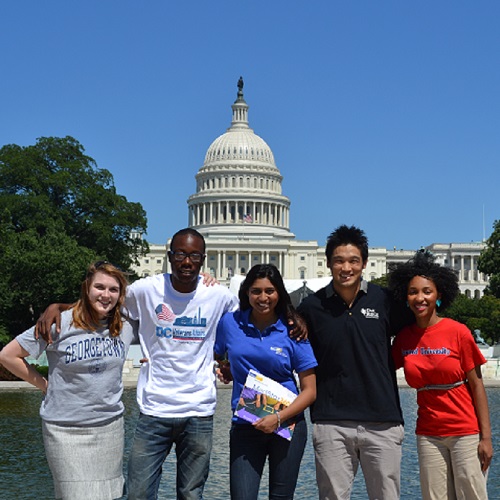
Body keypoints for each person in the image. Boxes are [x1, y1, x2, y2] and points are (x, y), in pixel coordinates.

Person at [36, 228, 240, 499]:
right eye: (180, 254)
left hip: (198, 409)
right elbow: (102, 303)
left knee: (191, 494)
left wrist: (226, 360)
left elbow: (245, 326)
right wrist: (59, 306)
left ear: (204, 259)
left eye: (194, 256)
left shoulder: (220, 296)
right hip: (154, 408)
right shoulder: (146, 290)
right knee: (138, 493)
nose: (187, 262)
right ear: (169, 257)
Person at [0, 261, 137, 500]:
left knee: (109, 495)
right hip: (65, 428)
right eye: (99, 287)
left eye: (113, 289)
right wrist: (45, 385)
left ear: (120, 294)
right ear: (87, 288)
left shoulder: (124, 325)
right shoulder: (60, 323)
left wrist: (204, 282)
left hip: (109, 428)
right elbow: (8, 355)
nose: (106, 295)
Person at [297, 225, 408, 500]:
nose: (346, 267)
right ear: (328, 263)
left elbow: (420, 328)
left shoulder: (385, 300)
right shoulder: (311, 307)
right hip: (332, 421)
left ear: (364, 264)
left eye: (353, 261)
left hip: (382, 420)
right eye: (339, 261)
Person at [389, 250, 493, 500]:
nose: (420, 298)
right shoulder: (404, 338)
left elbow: (477, 385)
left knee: (472, 495)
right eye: (413, 292)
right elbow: (378, 371)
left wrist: (486, 438)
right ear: (406, 297)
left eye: (427, 291)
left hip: (465, 432)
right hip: (428, 433)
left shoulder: (458, 332)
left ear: (438, 296)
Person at [215, 264, 317, 500]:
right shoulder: (230, 323)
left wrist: (278, 418)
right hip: (245, 422)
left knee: (281, 497)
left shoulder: (292, 329)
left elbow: (310, 390)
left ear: (279, 293)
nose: (263, 298)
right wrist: (227, 368)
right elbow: (216, 352)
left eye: (269, 291)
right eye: (256, 291)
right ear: (247, 293)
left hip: (287, 423)